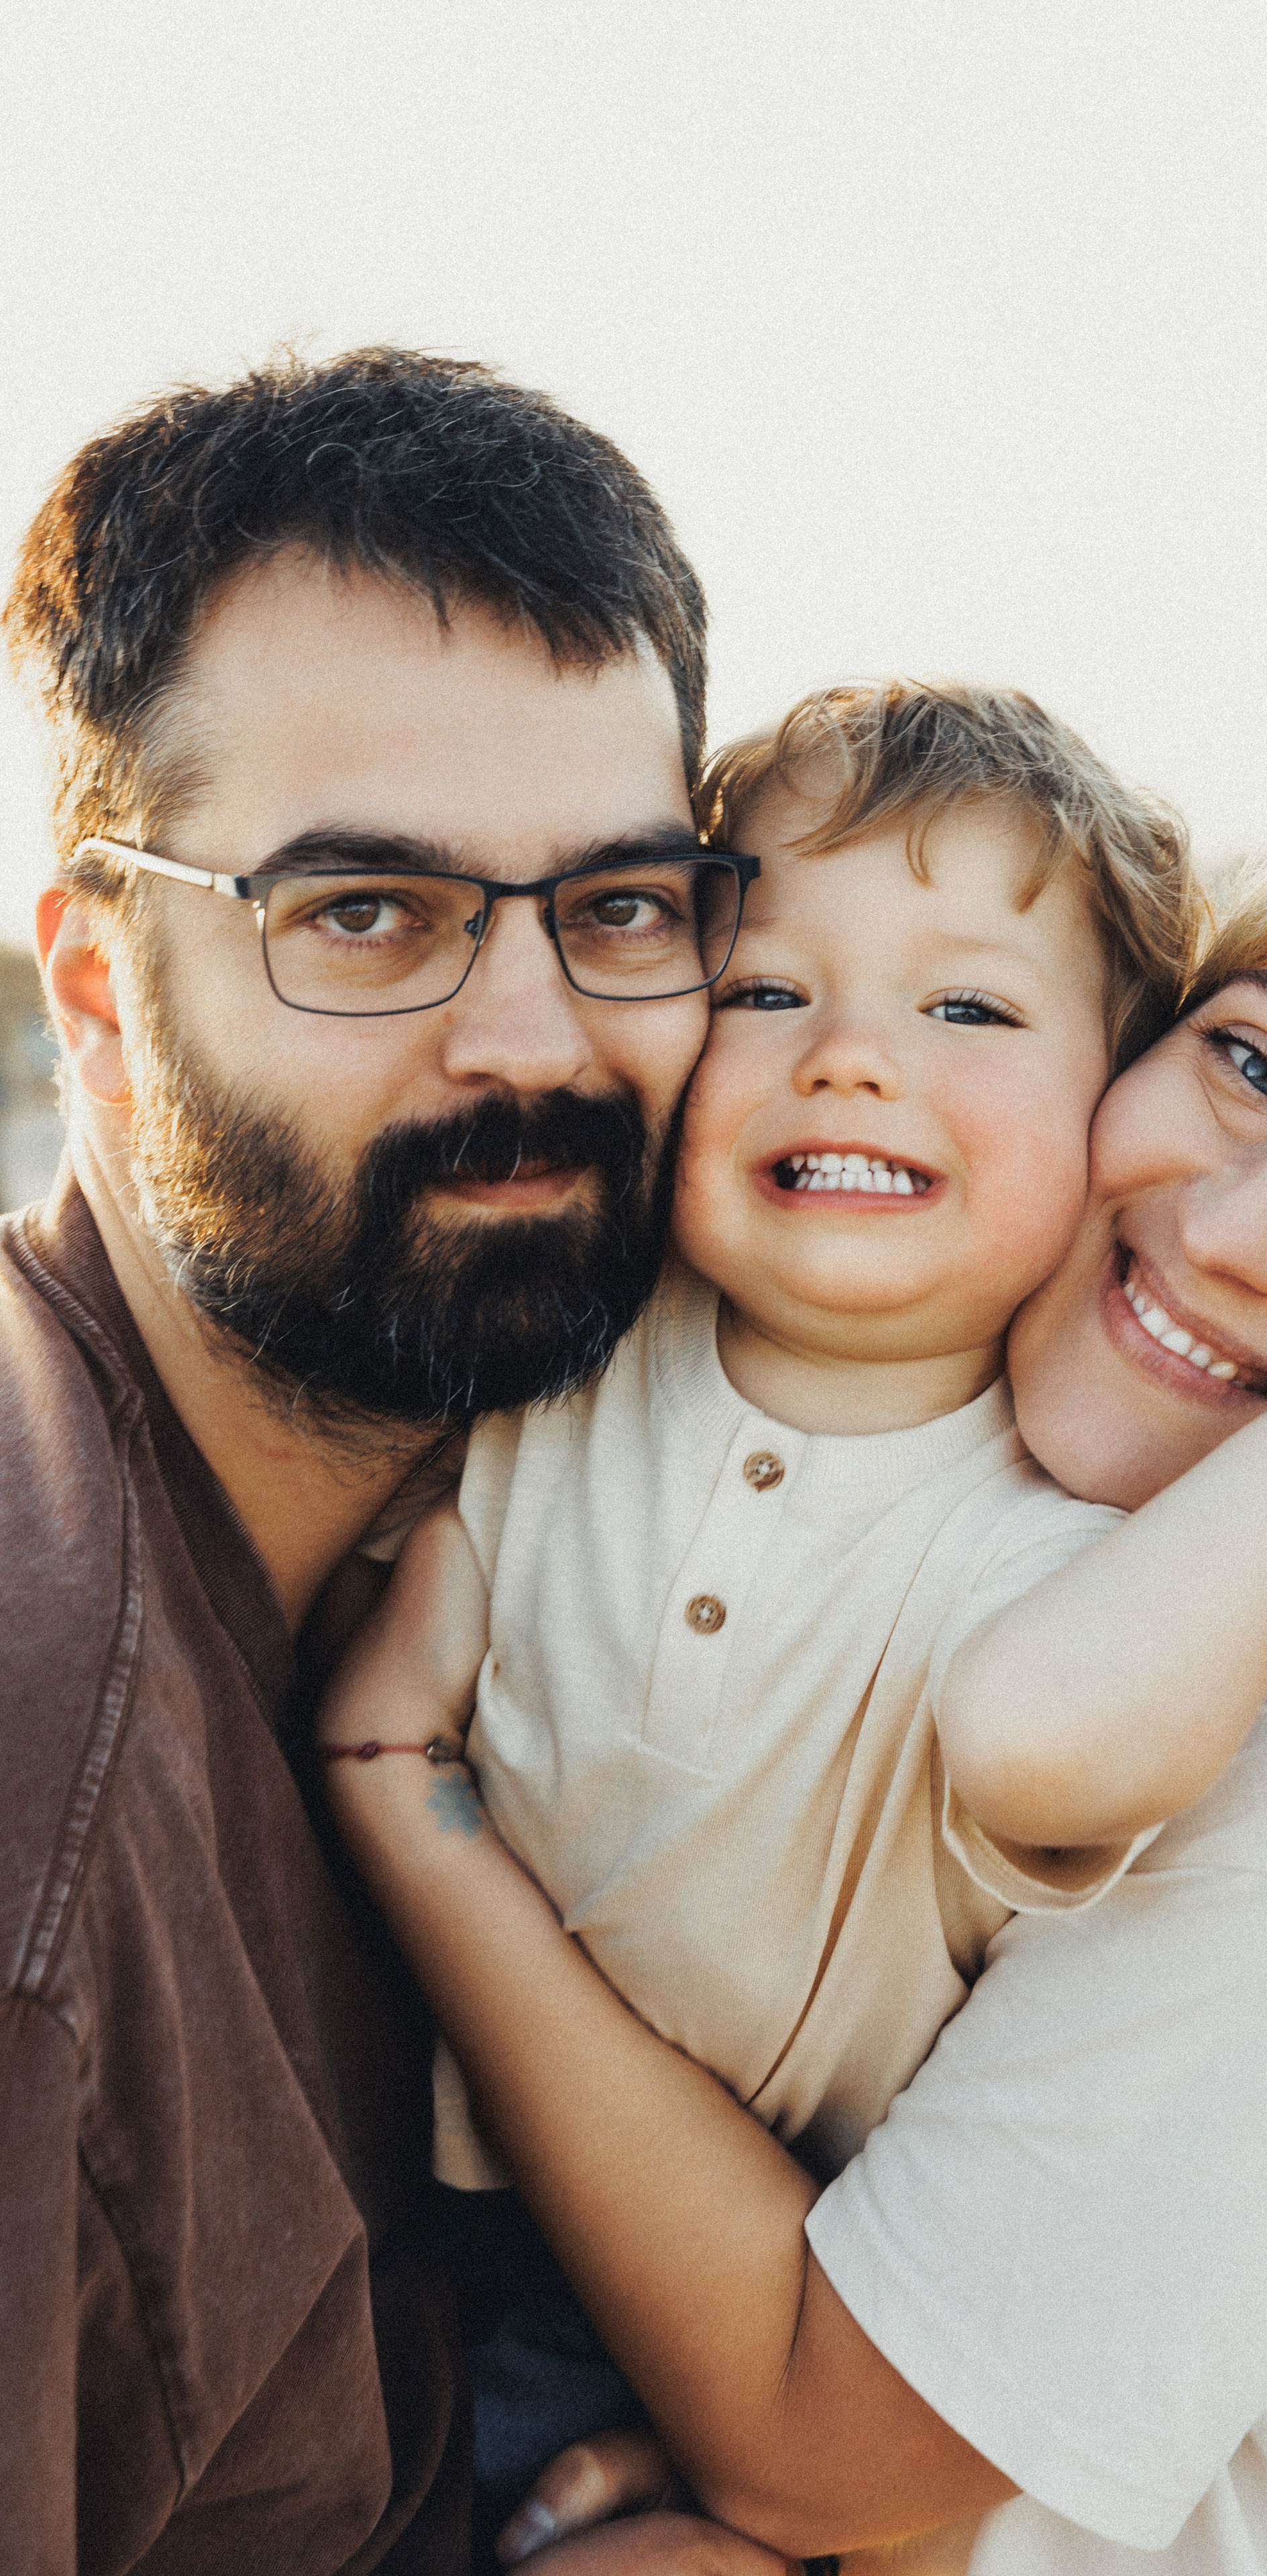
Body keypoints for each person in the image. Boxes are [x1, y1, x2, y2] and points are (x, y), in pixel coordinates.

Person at [321, 760, 1267, 2574]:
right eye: (1250, 1064)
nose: (1231, 1226)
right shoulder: (1033, 1530)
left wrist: (415, 1821)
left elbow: (824, 2455)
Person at [0, 343, 734, 2571]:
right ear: (105, 993)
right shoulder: (40, 1794)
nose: (530, 1038)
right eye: (363, 915)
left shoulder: (570, 1558)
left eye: (617, 904)